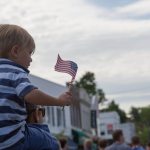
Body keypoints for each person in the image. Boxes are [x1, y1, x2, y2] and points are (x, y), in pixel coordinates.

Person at [0, 24, 72, 150]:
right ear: (15, 51)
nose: (31, 60)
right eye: (29, 53)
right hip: (13, 140)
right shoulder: (15, 72)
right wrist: (58, 101)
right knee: (48, 140)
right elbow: (31, 94)